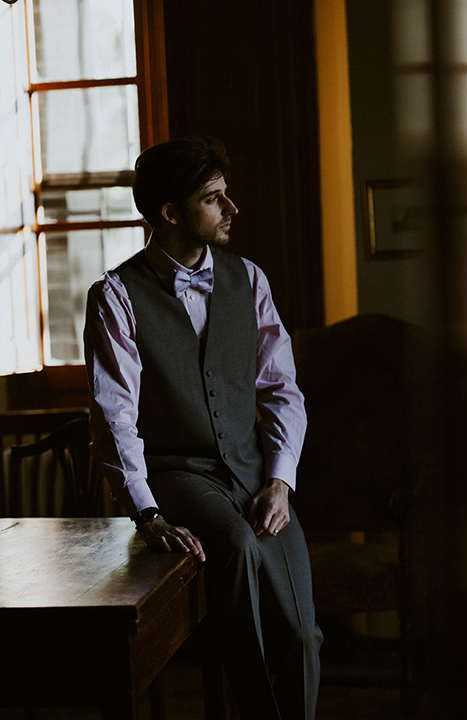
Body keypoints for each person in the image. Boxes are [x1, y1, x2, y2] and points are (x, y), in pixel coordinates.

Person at [84, 136, 323, 720]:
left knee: (302, 633)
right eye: (214, 198)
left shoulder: (250, 279)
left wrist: (281, 482)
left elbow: (282, 390)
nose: (232, 209)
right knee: (239, 545)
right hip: (180, 473)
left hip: (254, 472)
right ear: (169, 213)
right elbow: (115, 415)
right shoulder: (115, 296)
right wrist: (147, 512)